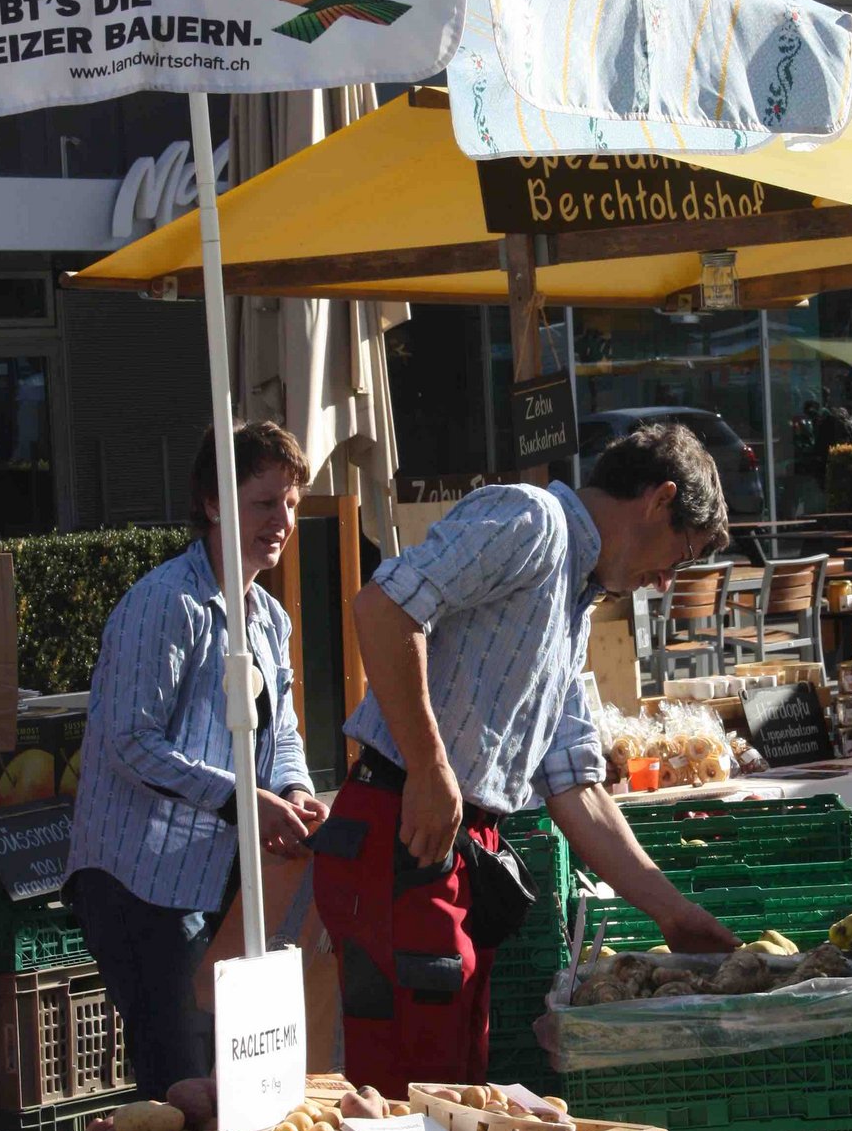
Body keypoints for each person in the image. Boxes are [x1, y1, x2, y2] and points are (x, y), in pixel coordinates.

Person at [313, 423, 737, 1096]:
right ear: (659, 500)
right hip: (402, 829)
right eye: (679, 557)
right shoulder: (531, 519)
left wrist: (673, 913)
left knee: (453, 1091)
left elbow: (576, 786)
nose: (664, 581)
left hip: (449, 845)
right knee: (407, 1099)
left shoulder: (575, 600)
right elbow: (383, 607)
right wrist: (429, 766)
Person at [65, 421, 324, 1097]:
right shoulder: (164, 602)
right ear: (213, 503)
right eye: (264, 503)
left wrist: (295, 789)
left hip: (222, 882)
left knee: (235, 1080)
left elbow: (283, 732)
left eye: (291, 503)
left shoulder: (270, 618)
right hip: (138, 883)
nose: (282, 521)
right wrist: (242, 799)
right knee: (183, 1085)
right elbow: (129, 740)